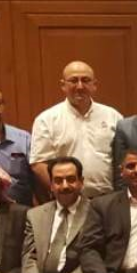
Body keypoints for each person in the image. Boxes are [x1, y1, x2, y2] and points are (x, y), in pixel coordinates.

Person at [29, 60, 123, 199]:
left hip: (108, 199)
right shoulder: (47, 119)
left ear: (94, 85)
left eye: (85, 80)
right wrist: (62, 190)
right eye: (73, 81)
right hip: (67, 200)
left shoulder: (112, 116)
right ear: (63, 85)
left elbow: (123, 159)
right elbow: (39, 163)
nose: (80, 86)